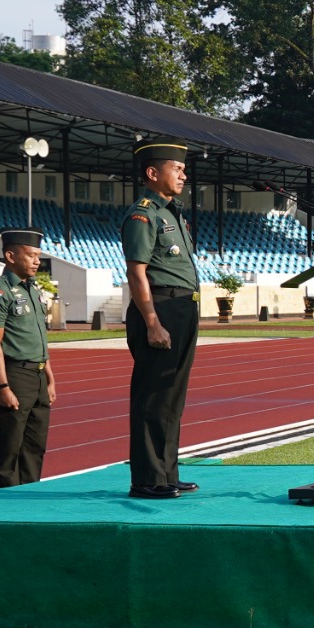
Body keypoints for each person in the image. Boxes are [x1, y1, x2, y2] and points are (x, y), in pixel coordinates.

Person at [122, 139, 203, 499]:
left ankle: (167, 473)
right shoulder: (143, 214)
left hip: (183, 308)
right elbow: (137, 273)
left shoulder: (172, 213)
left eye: (184, 169)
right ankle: (146, 479)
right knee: (152, 398)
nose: (184, 174)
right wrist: (152, 321)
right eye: (177, 168)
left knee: (172, 399)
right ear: (153, 173)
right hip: (160, 308)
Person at [0, 227, 57, 488]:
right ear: (10, 256)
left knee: (34, 448)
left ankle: (28, 501)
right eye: (31, 255)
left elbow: (39, 339)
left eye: (38, 255)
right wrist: (2, 386)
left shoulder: (32, 289)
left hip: (37, 376)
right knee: (8, 450)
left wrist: (49, 378)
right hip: (14, 376)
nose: (37, 261)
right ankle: (3, 506)